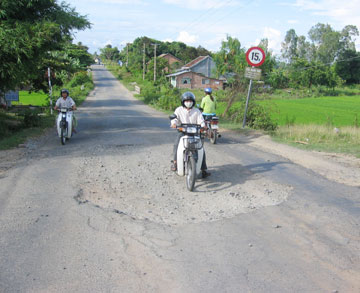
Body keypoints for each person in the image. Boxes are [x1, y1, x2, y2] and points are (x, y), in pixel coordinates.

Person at [170, 91, 210, 178]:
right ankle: (175, 162)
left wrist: (204, 127)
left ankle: (204, 169)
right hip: (183, 132)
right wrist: (174, 123)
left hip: (195, 133)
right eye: (187, 101)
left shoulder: (197, 111)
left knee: (201, 150)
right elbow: (175, 118)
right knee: (176, 145)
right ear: (183, 102)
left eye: (190, 101)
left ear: (193, 102)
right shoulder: (179, 110)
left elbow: (201, 121)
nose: (189, 102)